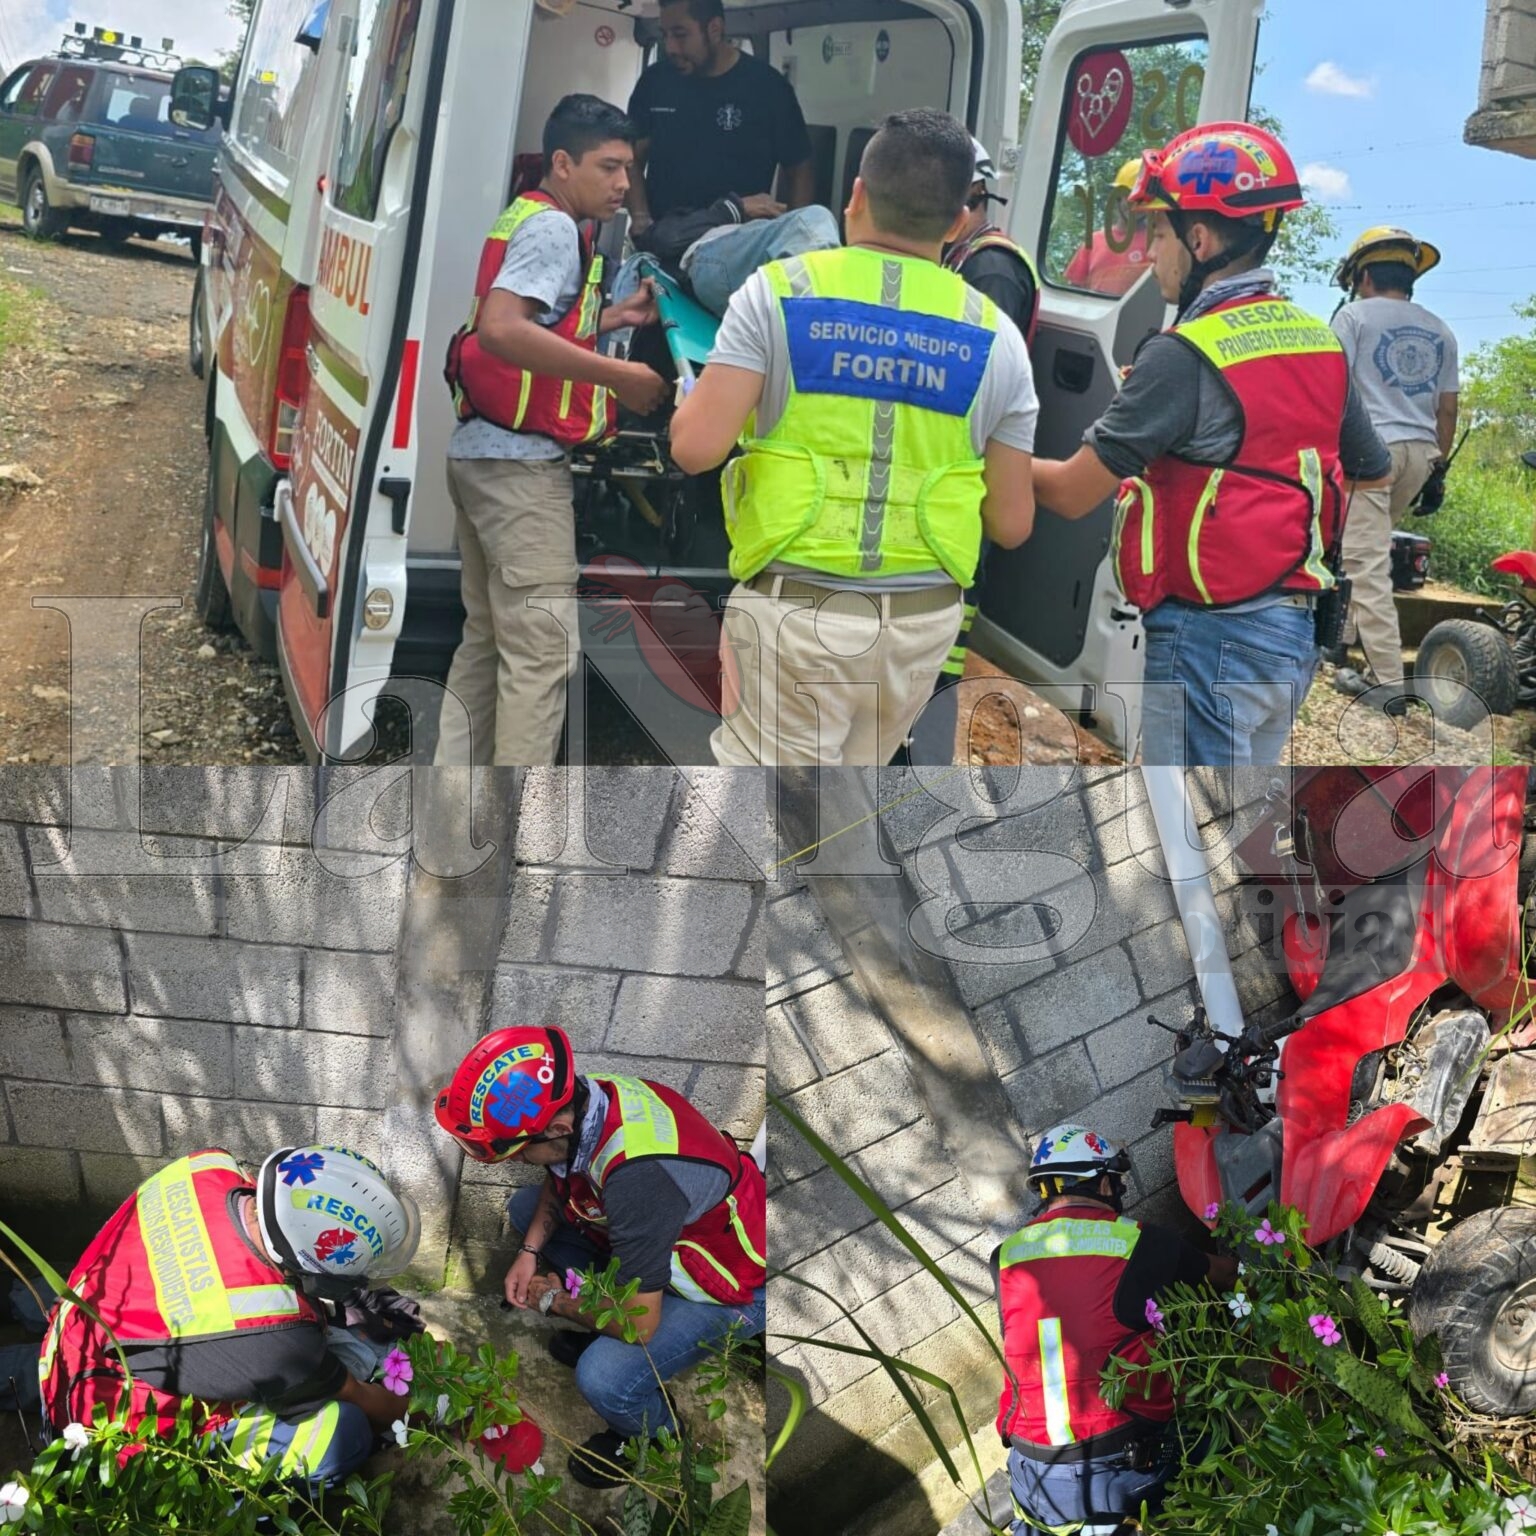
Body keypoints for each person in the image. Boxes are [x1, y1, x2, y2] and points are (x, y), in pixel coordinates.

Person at [669, 108, 1039, 768]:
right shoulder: (997, 335)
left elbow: (695, 448)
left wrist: (689, 398)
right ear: (958, 220)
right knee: (844, 817)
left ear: (857, 197)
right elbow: (1011, 523)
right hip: (921, 626)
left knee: (763, 825)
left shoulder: (780, 291)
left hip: (798, 613)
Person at [1031, 122, 1392, 767]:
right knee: (1228, 826)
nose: (1150, 253)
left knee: (1185, 841)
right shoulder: (1318, 342)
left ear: (1199, 241)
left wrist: (990, 453)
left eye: (1160, 234)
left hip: (1207, 636)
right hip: (1290, 634)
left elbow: (1070, 491)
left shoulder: (1184, 354)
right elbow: (1371, 470)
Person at [438, 94, 668, 767]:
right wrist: (617, 376)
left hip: (479, 453)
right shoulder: (555, 230)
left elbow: (532, 330)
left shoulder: (524, 215)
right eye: (608, 166)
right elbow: (503, 329)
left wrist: (612, 319)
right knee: (543, 654)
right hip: (518, 470)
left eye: (628, 168)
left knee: (485, 645)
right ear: (562, 163)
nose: (623, 183)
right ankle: (511, 839)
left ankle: (456, 821)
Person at [433, 1026, 766, 1489]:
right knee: (525, 1210)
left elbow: (639, 1322)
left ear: (557, 1128)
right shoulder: (589, 1096)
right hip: (671, 1240)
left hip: (728, 1285)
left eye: (515, 1151)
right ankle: (605, 1328)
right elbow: (560, 1167)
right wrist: (529, 1253)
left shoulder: (638, 1182)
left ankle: (655, 1434)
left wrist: (554, 1301)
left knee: (604, 1378)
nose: (514, 1161)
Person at [40, 1145, 422, 1484]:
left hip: (81, 1319)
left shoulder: (211, 1167)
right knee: (346, 1434)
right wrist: (423, 1409)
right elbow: (359, 1397)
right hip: (107, 1425)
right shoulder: (277, 1334)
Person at [994, 1125, 1236, 1536]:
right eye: (1116, 1182)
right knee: (1213, 1428)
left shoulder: (1005, 1257)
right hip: (1119, 1471)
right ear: (1104, 1183)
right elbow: (1223, 1275)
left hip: (1031, 1475)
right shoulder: (1139, 1241)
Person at [902, 136, 1042, 764]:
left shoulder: (989, 267)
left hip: (966, 478)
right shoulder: (964, 259)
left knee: (941, 656)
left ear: (970, 199)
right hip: (953, 476)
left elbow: (974, 375)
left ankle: (918, 782)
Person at [626, 0, 840, 316]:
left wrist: (792, 241)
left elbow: (799, 168)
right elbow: (632, 157)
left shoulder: (767, 88)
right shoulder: (655, 82)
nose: (670, 46)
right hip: (667, 241)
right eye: (665, 34)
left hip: (733, 250)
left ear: (714, 29)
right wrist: (642, 220)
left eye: (681, 34)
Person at [1328, 227, 1459, 708]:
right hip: (1420, 452)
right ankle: (1338, 644)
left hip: (1370, 449)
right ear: (1410, 278)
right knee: (1365, 547)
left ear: (1363, 275)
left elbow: (1332, 386)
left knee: (1364, 562)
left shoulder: (1353, 317)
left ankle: (1385, 682)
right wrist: (1437, 466)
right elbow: (1447, 408)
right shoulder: (1440, 329)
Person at [1063, 160, 1152, 297]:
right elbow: (1072, 294)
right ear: (1118, 197)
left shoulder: (1156, 243)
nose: (1136, 205)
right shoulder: (1093, 242)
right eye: (1131, 197)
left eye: (1143, 199)